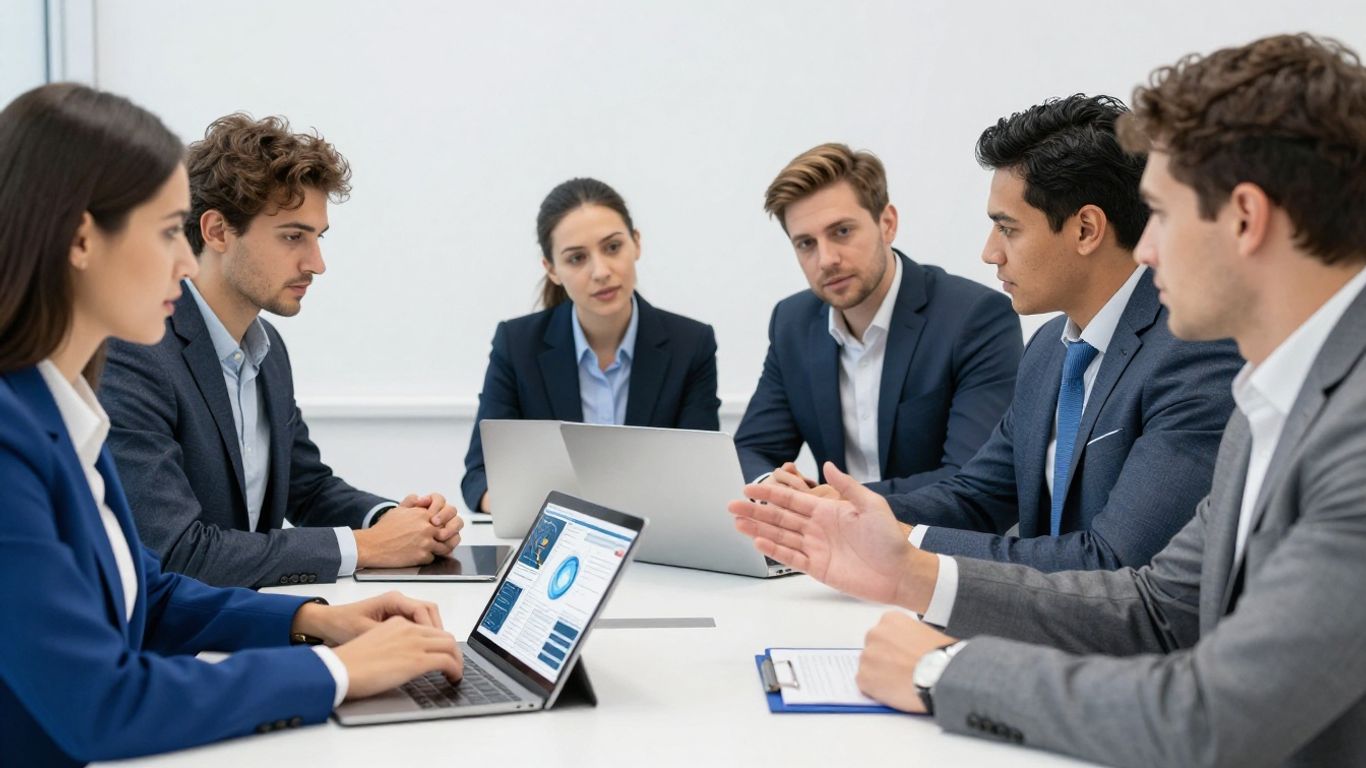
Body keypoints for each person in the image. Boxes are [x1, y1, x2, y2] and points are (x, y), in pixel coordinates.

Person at [731, 33, 1366, 766]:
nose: (1147, 247)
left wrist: (944, 672)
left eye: (1160, 214)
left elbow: (1216, 716)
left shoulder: (1343, 431)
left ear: (1246, 218)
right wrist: (906, 569)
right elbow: (1159, 610)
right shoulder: (1272, 399)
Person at [0, 83, 462, 768]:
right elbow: (101, 701)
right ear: (79, 240)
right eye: (165, 233)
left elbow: (144, 593)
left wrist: (316, 621)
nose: (184, 262)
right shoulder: (14, 436)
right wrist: (339, 673)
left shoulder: (68, 403)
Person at [811, 96, 1242, 572]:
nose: (990, 253)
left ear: (1085, 229)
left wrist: (903, 544)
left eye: (1007, 229)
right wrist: (837, 508)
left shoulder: (1193, 352)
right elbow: (978, 497)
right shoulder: (1048, 349)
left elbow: (1113, 561)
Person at [99, 114, 463, 589]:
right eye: (294, 236)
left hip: (246, 622)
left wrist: (398, 521)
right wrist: (368, 547)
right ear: (217, 231)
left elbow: (306, 487)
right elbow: (175, 552)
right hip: (169, 646)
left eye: (318, 237)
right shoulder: (137, 351)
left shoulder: (268, 352)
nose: (317, 264)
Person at [733, 143, 1021, 496]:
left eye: (842, 231)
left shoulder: (974, 318)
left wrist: (838, 503)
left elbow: (971, 479)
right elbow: (751, 450)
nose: (826, 259)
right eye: (806, 243)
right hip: (827, 541)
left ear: (887, 224)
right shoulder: (792, 322)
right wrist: (771, 485)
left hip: (929, 540)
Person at [461, 178, 720, 513]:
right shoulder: (517, 345)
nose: (600, 271)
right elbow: (479, 477)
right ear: (551, 269)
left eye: (613, 248)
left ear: (636, 243)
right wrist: (526, 509)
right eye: (577, 258)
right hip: (550, 540)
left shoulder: (691, 344)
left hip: (657, 544)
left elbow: (699, 478)